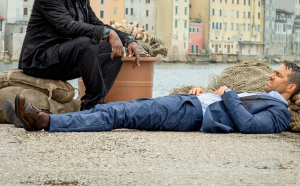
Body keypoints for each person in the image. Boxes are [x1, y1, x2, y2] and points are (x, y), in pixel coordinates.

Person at [15, 61, 300, 134]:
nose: (270, 76)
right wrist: (207, 92)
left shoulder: (280, 113)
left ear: (290, 89)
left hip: (190, 115)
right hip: (191, 103)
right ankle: (43, 119)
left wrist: (229, 95)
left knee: (118, 114)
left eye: (277, 75)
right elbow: (225, 101)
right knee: (119, 109)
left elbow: (249, 127)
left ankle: (44, 121)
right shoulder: (266, 96)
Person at [18, 0, 140, 110]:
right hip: (41, 60)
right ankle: (95, 105)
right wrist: (109, 34)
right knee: (86, 43)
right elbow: (66, 26)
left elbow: (97, 24)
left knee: (114, 50)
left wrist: (127, 39)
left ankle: (92, 106)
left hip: (64, 58)